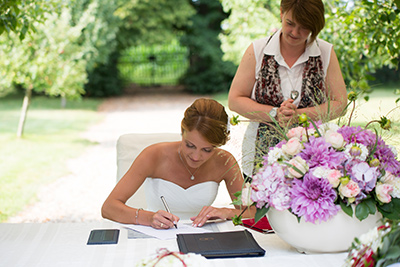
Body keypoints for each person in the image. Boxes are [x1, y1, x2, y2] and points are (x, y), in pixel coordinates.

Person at [228, 0, 347, 176]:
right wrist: (275, 114)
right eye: (290, 23)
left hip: (313, 160)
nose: (295, 32)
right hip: (259, 158)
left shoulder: (325, 52)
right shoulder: (258, 50)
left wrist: (299, 115)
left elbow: (340, 103)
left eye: (304, 27)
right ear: (282, 13)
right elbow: (235, 100)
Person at [102, 98, 254, 229]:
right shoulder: (153, 155)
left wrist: (226, 212)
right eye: (190, 145)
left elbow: (253, 212)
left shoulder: (225, 161)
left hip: (201, 236)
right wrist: (148, 218)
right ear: (182, 131)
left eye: (207, 150)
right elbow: (109, 208)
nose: (196, 156)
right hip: (155, 234)